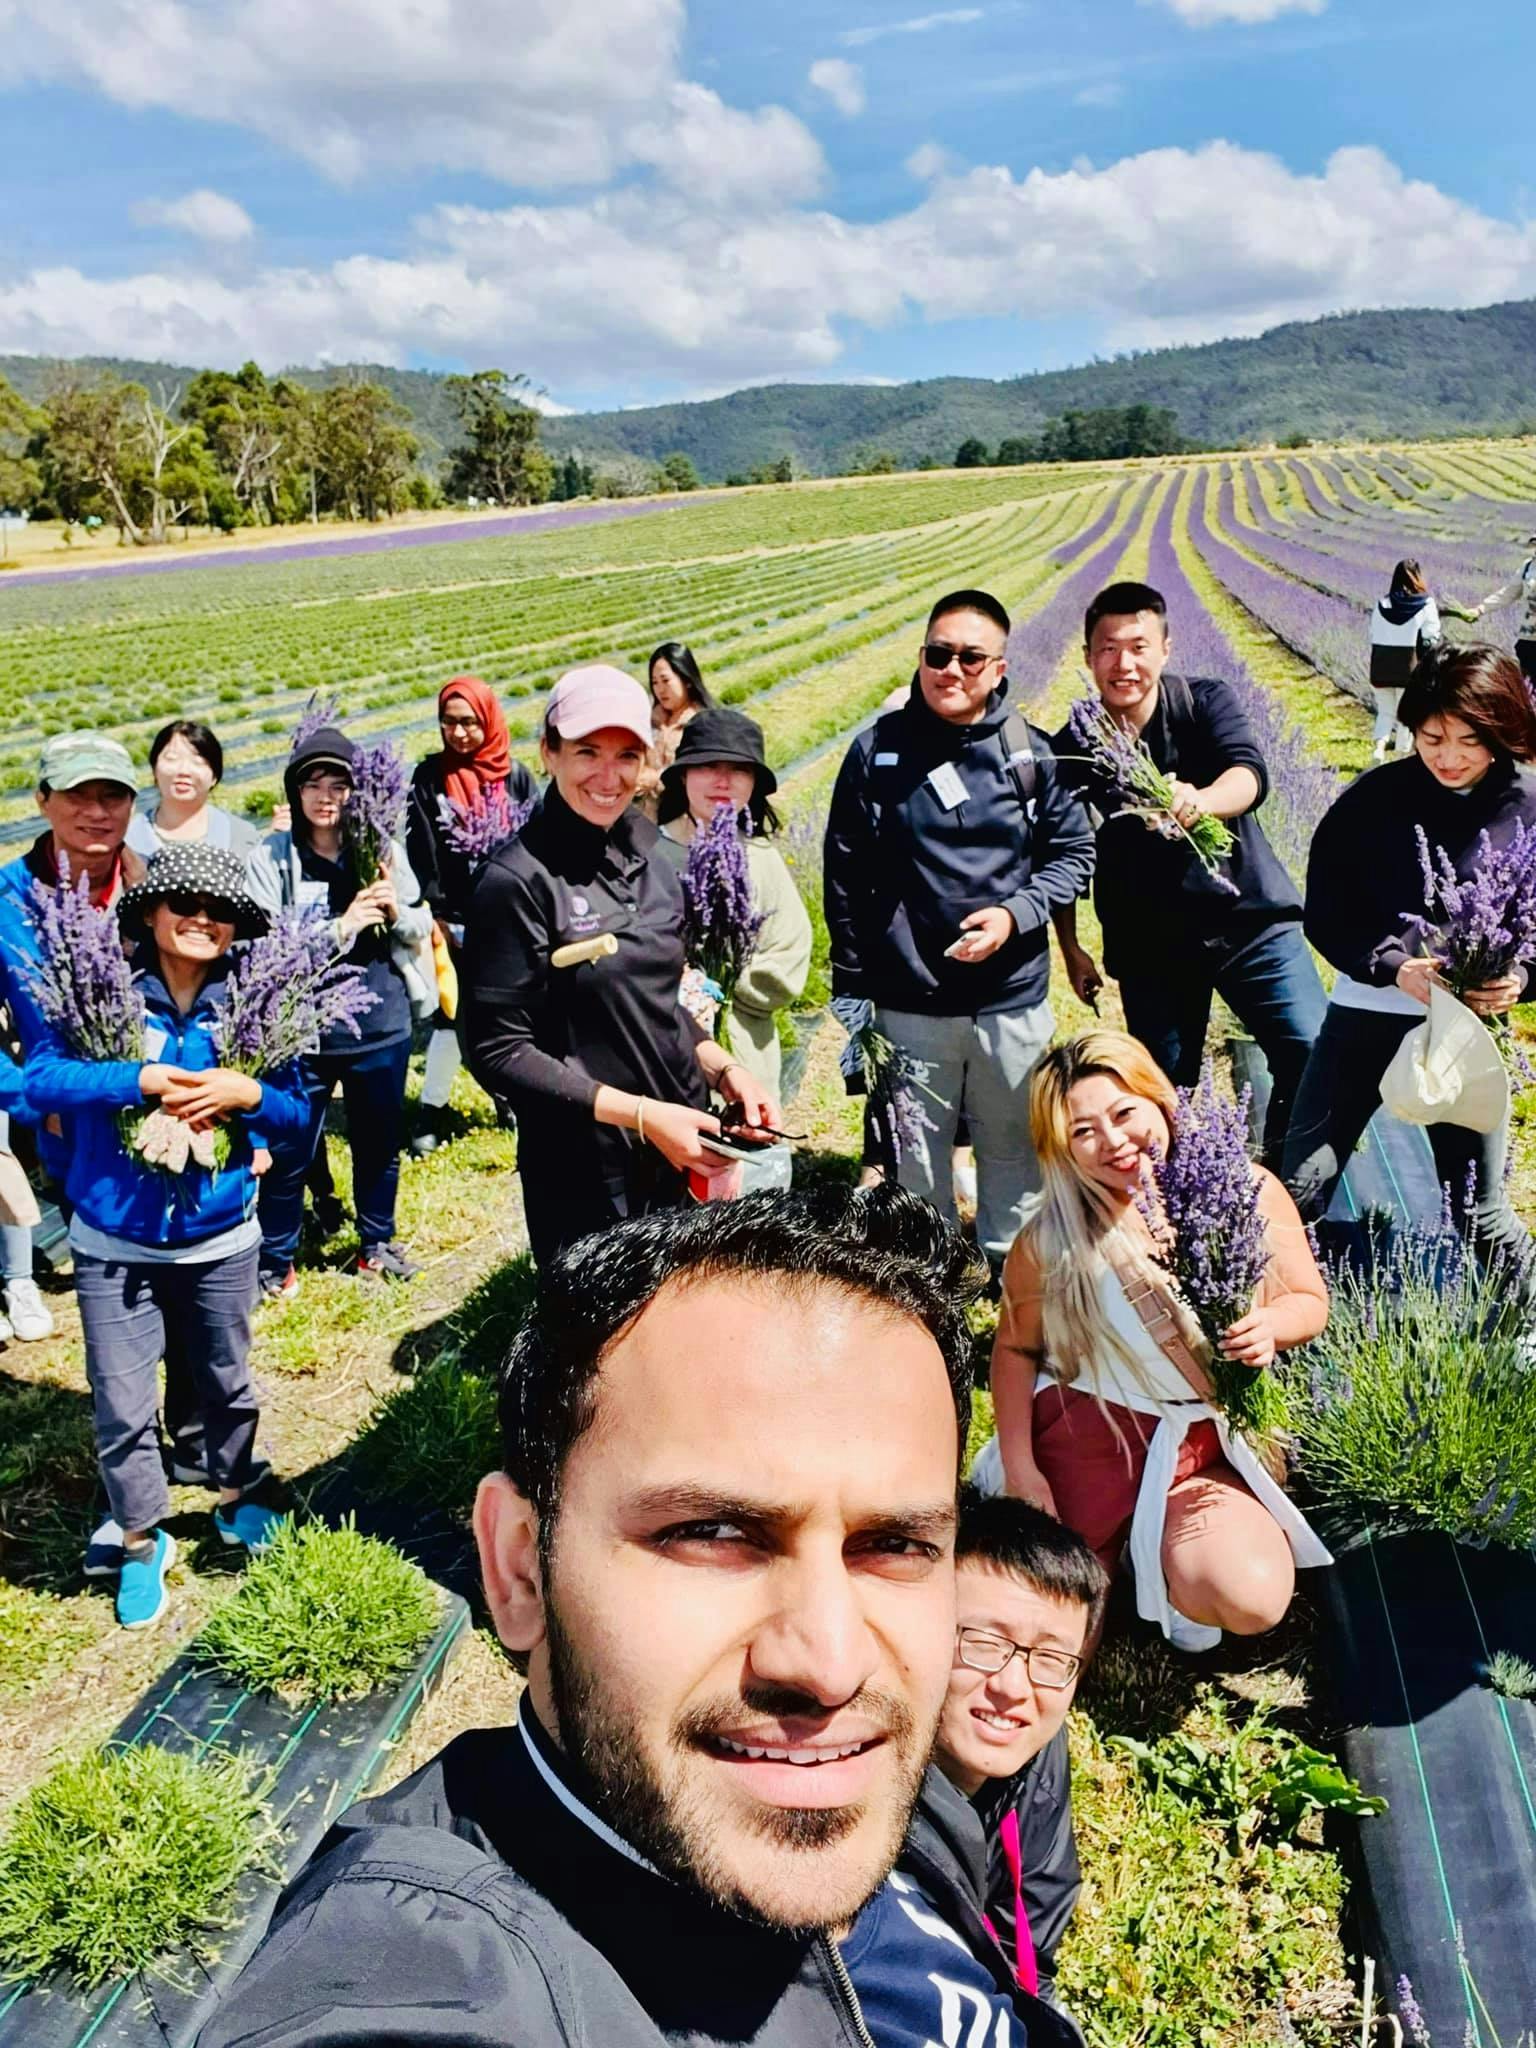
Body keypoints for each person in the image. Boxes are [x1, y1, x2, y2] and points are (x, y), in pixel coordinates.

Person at [200, 1186, 1079, 2048]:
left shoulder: (873, 1761)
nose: (832, 1663)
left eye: (893, 1544)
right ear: (518, 1570)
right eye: (712, 1533)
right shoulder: (436, 1973)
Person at [22, 846, 302, 1630]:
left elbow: (297, 1112)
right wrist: (133, 1080)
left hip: (218, 1238)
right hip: (114, 1239)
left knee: (226, 1379)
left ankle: (235, 1497)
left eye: (219, 911)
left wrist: (249, 1094)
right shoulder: (100, 993)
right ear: (150, 915)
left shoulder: (255, 999)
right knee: (119, 1400)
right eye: (185, 905)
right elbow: (40, 1080)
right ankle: (143, 1541)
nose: (202, 920)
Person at [990, 1031, 1330, 1653]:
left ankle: (1167, 1568)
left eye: (1124, 1113)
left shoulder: (1243, 1189)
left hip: (1199, 1442)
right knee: (1043, 1637)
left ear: (1158, 1101)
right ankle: (1111, 1555)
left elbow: (1309, 1302)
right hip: (1090, 1438)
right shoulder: (1049, 1240)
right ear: (1061, 1147)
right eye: (1083, 1130)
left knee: (1248, 1595)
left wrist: (1270, 1328)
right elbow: (1014, 1351)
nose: (1114, 1142)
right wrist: (1021, 1468)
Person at [461, 666, 779, 1270]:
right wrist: (640, 1115)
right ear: (548, 752)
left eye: (627, 755)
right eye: (587, 752)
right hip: (585, 1168)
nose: (609, 777)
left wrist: (725, 1071)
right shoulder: (517, 881)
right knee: (602, 1352)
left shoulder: (657, 857)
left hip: (685, 1144)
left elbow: (657, 1003)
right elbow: (497, 1049)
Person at [825, 589, 1095, 1271]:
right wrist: (852, 987)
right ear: (921, 658)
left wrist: (1015, 915)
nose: (952, 670)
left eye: (971, 658)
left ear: (1000, 668)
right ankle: (935, 1289)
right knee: (916, 1161)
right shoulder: (876, 755)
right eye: (937, 654)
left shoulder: (1031, 754)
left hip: (1011, 1003)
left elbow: (1074, 855)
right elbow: (844, 875)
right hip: (911, 1003)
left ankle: (1017, 1293)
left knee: (1015, 1154)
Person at [1283, 644, 1536, 1301]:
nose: (1448, 757)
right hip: (1364, 1020)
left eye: (1468, 741)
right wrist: (1395, 968)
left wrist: (1520, 980)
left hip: (1462, 1035)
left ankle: (1527, 1317)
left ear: (1504, 731)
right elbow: (1326, 915)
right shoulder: (1374, 800)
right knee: (1299, 1188)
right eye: (1432, 738)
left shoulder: (1527, 807)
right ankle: (1265, 1331)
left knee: (1478, 1212)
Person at [1050, 581, 1326, 1165]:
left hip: (1251, 923)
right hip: (1151, 944)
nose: (1123, 664)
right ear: (1087, 658)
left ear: (1166, 649)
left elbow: (1249, 775)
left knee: (1311, 1051)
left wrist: (1202, 800)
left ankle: (1281, 1184)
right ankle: (1182, 1202)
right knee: (1163, 1089)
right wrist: (1071, 946)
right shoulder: (1074, 746)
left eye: (1138, 646)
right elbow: (1059, 849)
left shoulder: (1202, 703)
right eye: (1107, 649)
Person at [248, 725, 431, 1292]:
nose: (326, 796)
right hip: (303, 1033)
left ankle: (376, 1243)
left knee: (378, 1145)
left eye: (340, 783)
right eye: (312, 783)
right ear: (295, 792)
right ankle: (276, 1261)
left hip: (380, 1024)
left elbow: (424, 922)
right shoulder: (272, 857)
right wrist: (341, 928)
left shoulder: (380, 849)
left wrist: (394, 911)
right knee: (289, 1150)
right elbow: (263, 950)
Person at [915, 1487, 1107, 2009]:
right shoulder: (848, 1795)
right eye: (983, 1642)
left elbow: (1028, 1949)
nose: (1014, 1687)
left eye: (1051, 1658)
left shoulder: (1034, 1750)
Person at [404, 675, 538, 1157]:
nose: (458, 733)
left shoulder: (515, 777)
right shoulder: (428, 779)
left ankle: (511, 1098)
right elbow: (420, 850)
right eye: (449, 722)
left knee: (506, 1015)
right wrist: (436, 914)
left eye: (469, 722)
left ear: (489, 721)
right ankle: (432, 1110)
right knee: (449, 1015)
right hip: (448, 925)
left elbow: (535, 845)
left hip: (506, 920)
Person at [655, 705, 813, 1100]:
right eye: (708, 765)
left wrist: (723, 985)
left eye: (738, 769)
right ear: (684, 775)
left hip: (745, 1050)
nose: (722, 781)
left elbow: (790, 950)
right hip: (663, 1047)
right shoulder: (650, 852)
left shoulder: (761, 857)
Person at [126, 719, 260, 859]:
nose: (184, 770)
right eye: (172, 759)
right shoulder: (126, 840)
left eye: (198, 762)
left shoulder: (242, 837)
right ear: (154, 769)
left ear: (214, 777)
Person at [1368, 561, 1442, 763]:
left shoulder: (1381, 603)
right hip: (1408, 667)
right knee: (1405, 714)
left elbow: (1372, 633)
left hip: (1380, 665)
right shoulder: (1426, 604)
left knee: (1385, 711)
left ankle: (1379, 748)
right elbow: (1431, 637)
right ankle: (1401, 756)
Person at [635, 638, 714, 817]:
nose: (660, 689)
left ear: (687, 680)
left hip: (686, 820)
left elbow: (703, 775)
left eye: (665, 680)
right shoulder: (648, 721)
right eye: (655, 682)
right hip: (646, 818)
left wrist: (655, 779)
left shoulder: (703, 724)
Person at [1471, 534, 1536, 684]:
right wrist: (1481, 609)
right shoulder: (1528, 566)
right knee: (1528, 686)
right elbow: (1508, 593)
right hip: (1528, 637)